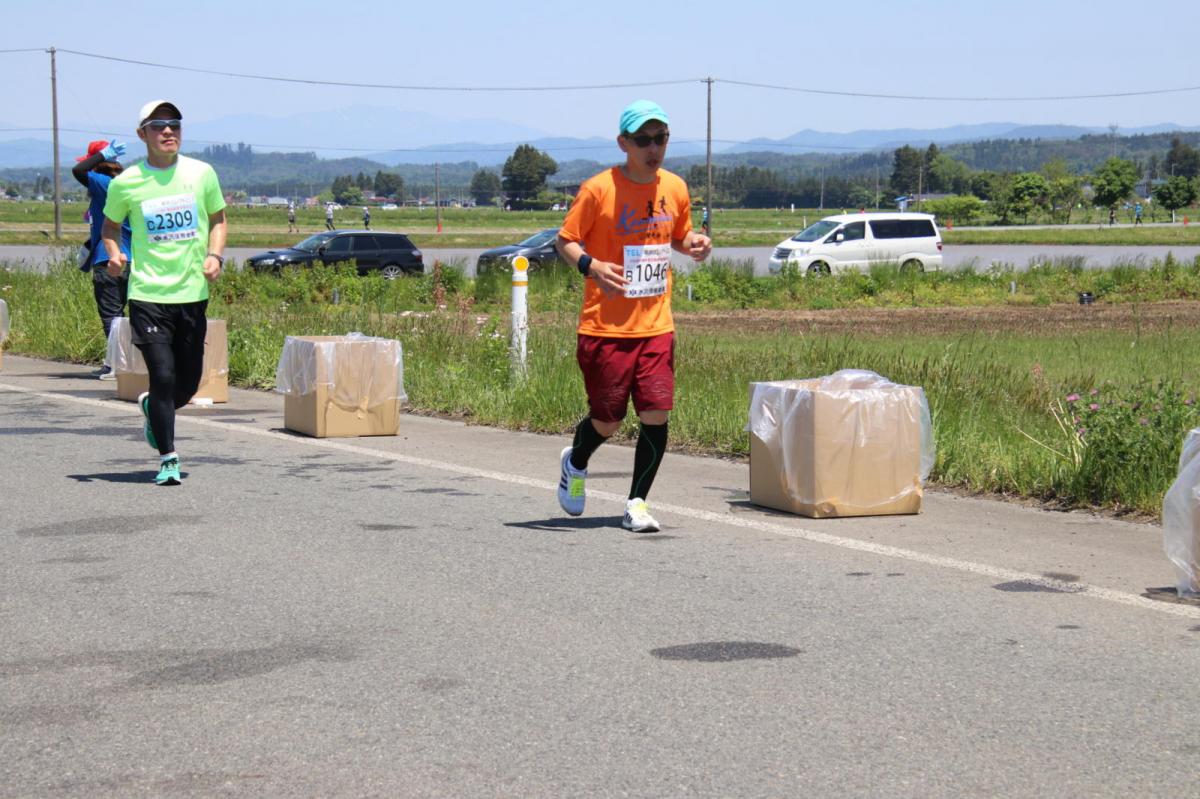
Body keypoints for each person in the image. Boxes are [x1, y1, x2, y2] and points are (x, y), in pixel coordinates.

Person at [554, 100, 712, 532]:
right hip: (604, 327)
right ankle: (577, 460)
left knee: (656, 413)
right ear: (623, 143)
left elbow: (678, 235)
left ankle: (637, 502)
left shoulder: (675, 188)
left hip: (656, 325)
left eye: (660, 138)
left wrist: (695, 243)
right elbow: (563, 241)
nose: (653, 147)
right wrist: (592, 266)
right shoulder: (598, 189)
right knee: (607, 420)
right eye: (643, 140)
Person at [101, 99, 227, 486]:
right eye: (158, 125)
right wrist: (115, 255)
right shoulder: (127, 183)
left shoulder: (201, 173)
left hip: (191, 294)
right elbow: (109, 228)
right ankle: (168, 457)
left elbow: (218, 219)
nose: (168, 131)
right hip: (148, 294)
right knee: (163, 373)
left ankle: (152, 408)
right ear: (143, 135)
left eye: (174, 124)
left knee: (187, 382)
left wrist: (215, 255)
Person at [71, 139, 132, 380]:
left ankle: (117, 365)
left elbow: (78, 171)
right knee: (127, 313)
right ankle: (121, 362)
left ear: (98, 164)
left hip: (108, 258)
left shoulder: (102, 183)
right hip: (132, 258)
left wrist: (101, 155)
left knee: (111, 314)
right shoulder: (126, 185)